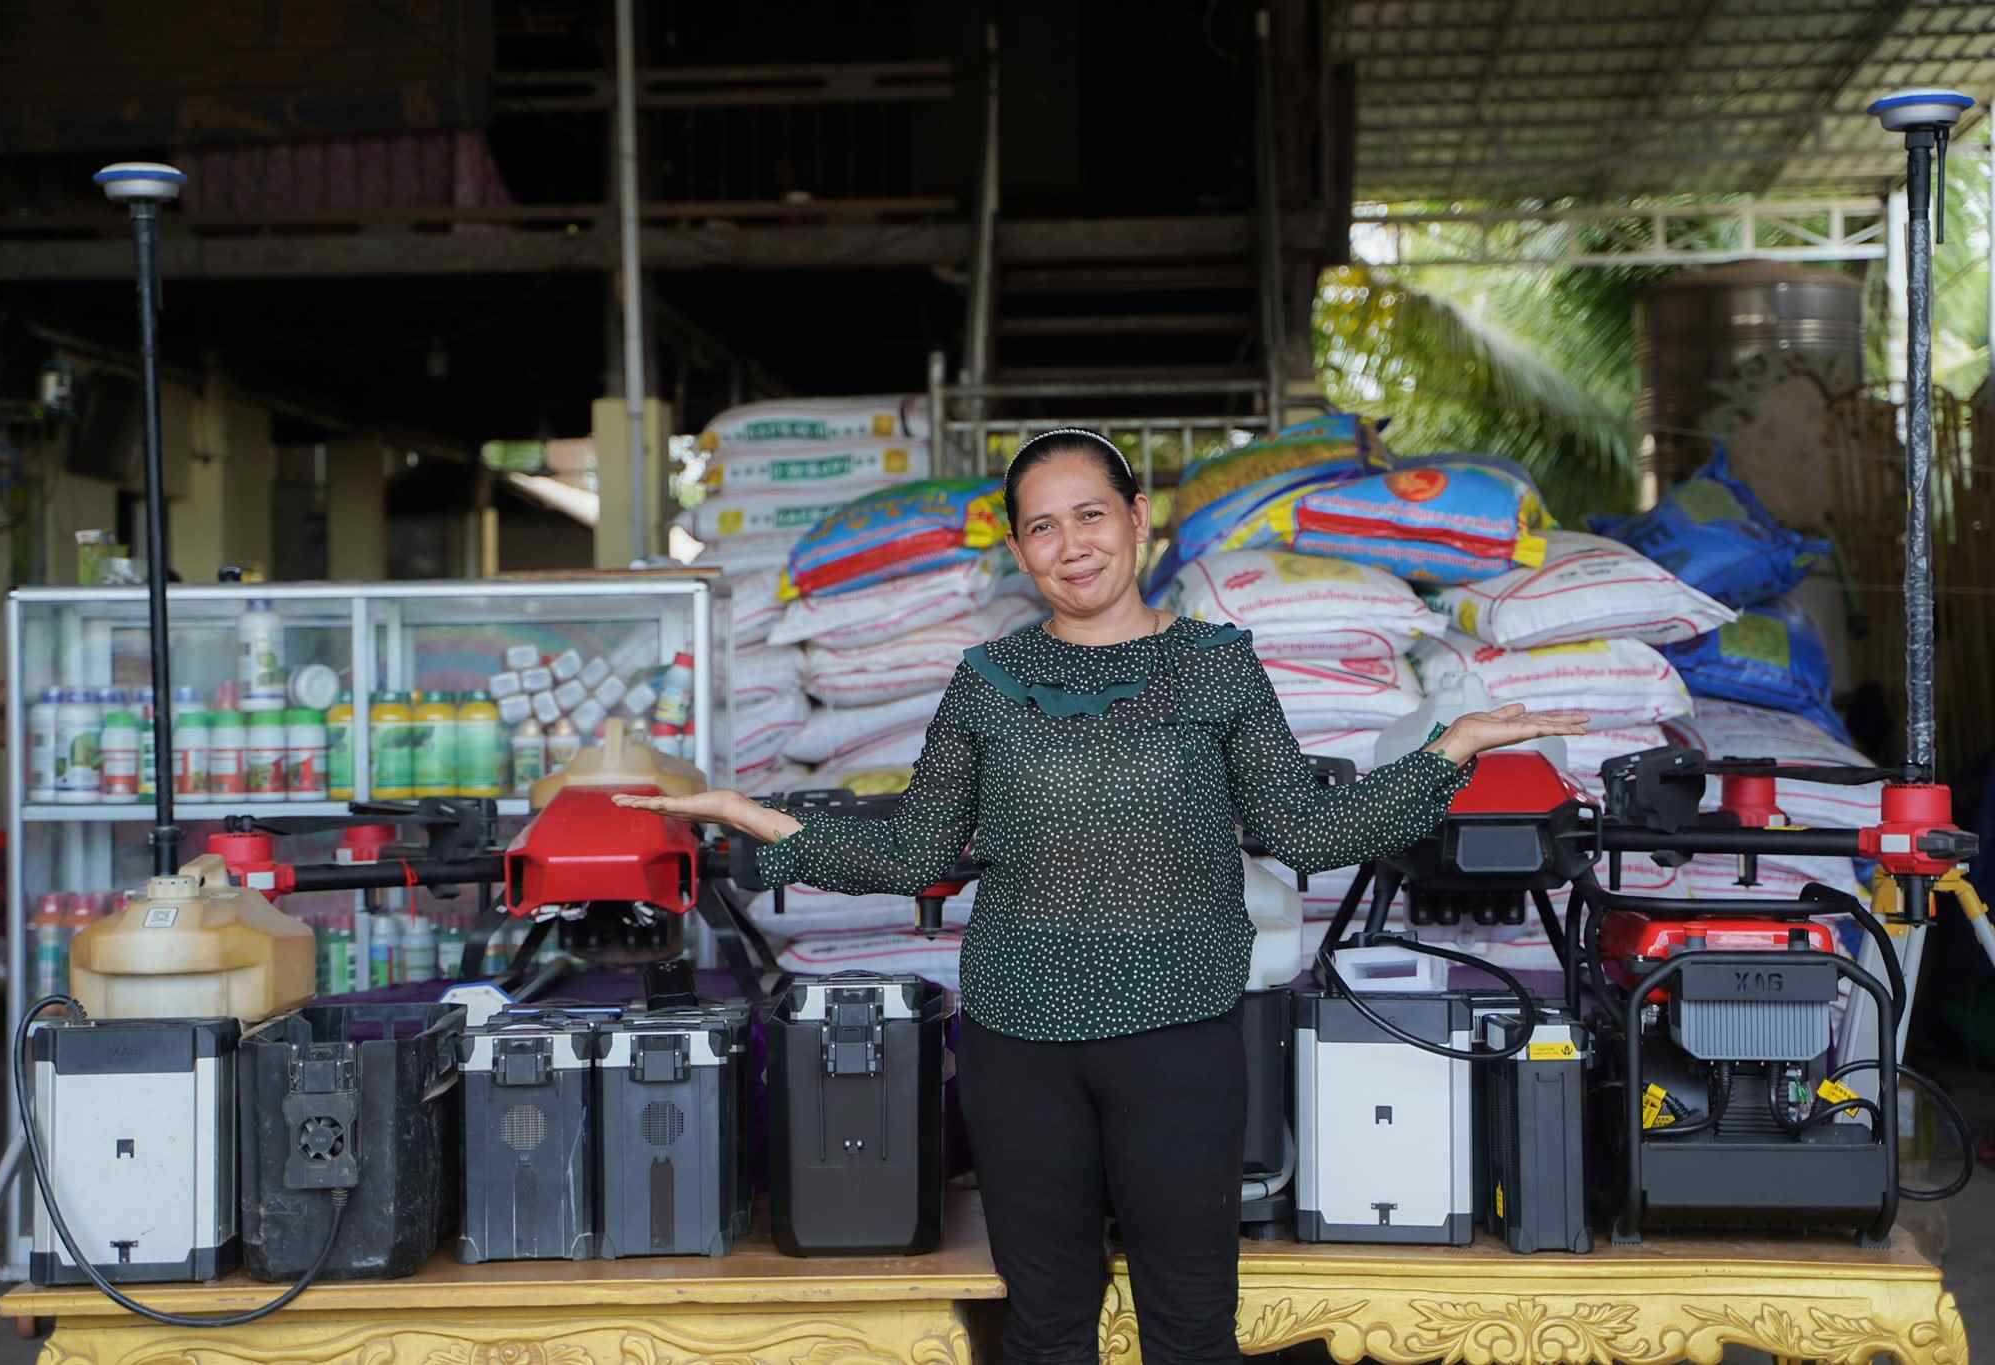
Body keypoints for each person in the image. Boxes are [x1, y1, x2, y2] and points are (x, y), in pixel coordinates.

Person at [619, 429, 1586, 1364]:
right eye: (1043, 527)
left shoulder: (1215, 663)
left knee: (1192, 1329)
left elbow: (1303, 831)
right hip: (1018, 1045)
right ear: (1017, 549)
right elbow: (915, 850)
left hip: (1182, 1039)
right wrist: (752, 816)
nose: (1071, 544)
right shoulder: (988, 682)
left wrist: (1446, 754)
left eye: (1090, 514)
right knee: (1043, 1330)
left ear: (1138, 518)